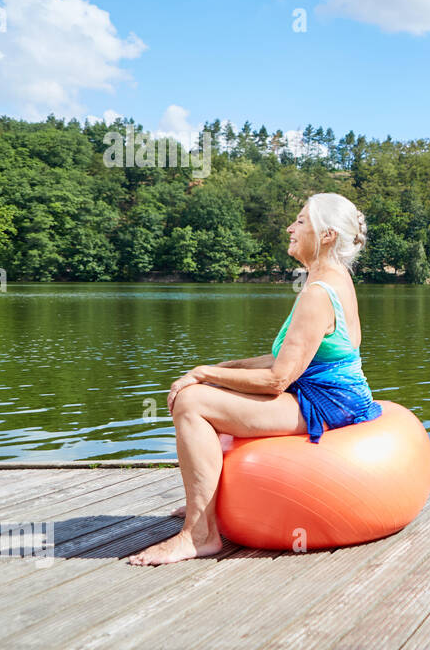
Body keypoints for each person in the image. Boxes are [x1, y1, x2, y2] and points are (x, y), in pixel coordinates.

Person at [129, 193, 380, 565]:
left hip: (328, 403)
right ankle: (208, 505)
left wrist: (201, 375)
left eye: (300, 221)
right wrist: (223, 370)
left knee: (192, 402)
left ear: (326, 235)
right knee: (210, 390)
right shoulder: (332, 278)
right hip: (330, 393)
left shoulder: (317, 293)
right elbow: (288, 358)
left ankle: (199, 536)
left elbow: (278, 378)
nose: (290, 228)